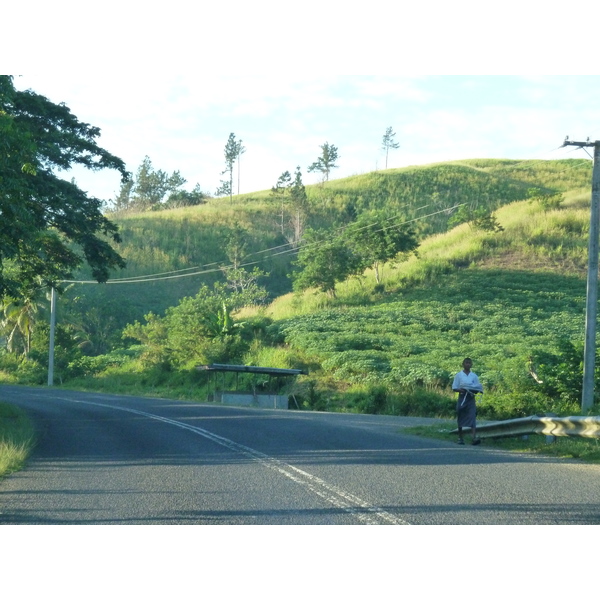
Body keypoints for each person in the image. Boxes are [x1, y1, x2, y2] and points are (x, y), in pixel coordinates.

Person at [452, 357, 483, 445]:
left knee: (472, 416)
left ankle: (474, 437)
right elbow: (454, 387)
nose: (468, 364)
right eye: (466, 363)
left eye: (469, 363)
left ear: (471, 365)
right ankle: (460, 437)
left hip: (470, 398)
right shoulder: (459, 375)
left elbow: (477, 387)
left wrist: (474, 390)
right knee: (460, 415)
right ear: (463, 364)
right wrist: (461, 390)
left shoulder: (474, 376)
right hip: (462, 397)